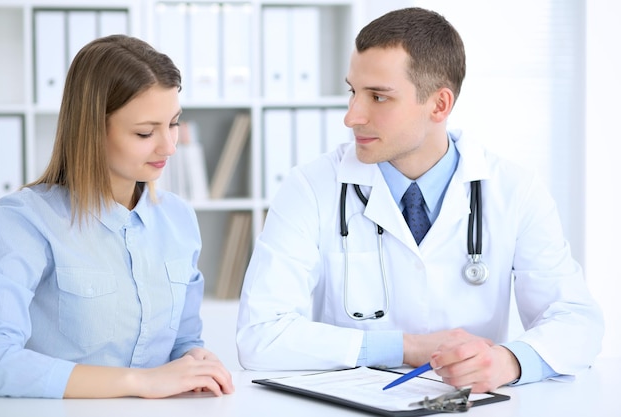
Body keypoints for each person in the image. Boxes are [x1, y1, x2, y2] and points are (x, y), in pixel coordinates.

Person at [236, 7, 604, 393]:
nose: (352, 116)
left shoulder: (514, 189)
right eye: (353, 92)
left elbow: (578, 320)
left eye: (378, 97)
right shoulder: (310, 188)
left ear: (439, 105)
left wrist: (508, 362)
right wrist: (406, 347)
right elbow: (261, 336)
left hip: (468, 404)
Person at [0, 35, 234, 399]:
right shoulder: (23, 222)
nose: (168, 147)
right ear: (91, 130)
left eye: (173, 124)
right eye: (145, 132)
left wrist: (194, 358)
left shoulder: (179, 219)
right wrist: (139, 382)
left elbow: (183, 341)